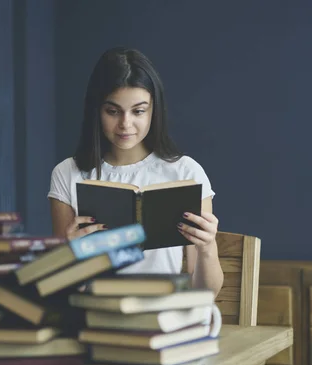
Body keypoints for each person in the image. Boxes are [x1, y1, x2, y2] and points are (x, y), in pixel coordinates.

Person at [47, 47, 223, 295]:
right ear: (96, 110)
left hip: (162, 315)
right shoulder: (67, 173)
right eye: (113, 111)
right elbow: (64, 290)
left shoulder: (186, 172)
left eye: (138, 111)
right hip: (94, 316)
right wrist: (70, 255)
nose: (125, 124)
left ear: (154, 110)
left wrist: (207, 248)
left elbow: (206, 292)